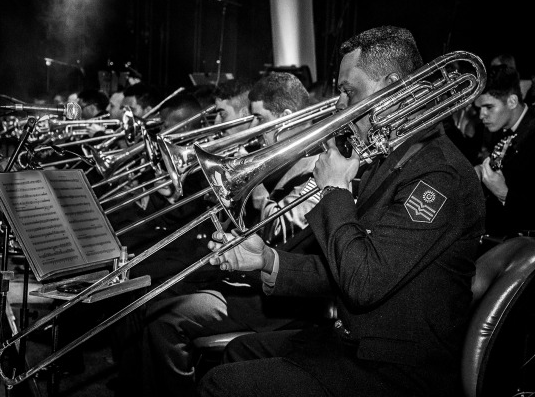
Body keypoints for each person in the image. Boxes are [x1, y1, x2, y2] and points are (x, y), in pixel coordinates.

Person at [198, 25, 486, 397]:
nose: (340, 106)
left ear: (392, 87)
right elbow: (345, 261)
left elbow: (363, 281)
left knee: (221, 386)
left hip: (399, 370)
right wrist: (268, 260)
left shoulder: (438, 173)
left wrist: (335, 189)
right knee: (239, 352)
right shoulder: (392, 160)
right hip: (358, 347)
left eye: (349, 92)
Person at [121, 72, 325, 397]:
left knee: (163, 318)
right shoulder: (281, 162)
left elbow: (281, 228)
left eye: (259, 118)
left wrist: (251, 174)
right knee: (146, 293)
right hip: (244, 281)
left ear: (286, 119)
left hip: (279, 301)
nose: (254, 129)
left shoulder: (318, 168)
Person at [474, 64, 535, 240]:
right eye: (479, 108)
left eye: (489, 107)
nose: (481, 115)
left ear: (512, 101)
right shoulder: (501, 127)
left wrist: (502, 192)